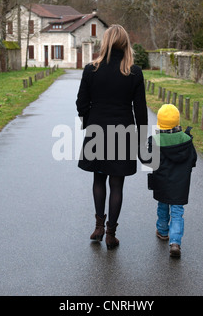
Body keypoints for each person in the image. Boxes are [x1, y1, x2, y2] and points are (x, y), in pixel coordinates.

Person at [76, 25, 148, 250]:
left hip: (97, 131)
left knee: (99, 180)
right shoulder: (133, 72)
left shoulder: (91, 70)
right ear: (125, 44)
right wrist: (142, 141)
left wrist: (89, 121)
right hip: (124, 133)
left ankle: (98, 226)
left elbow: (81, 103)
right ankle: (110, 234)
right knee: (117, 184)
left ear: (104, 43)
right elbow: (141, 111)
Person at [146, 104, 197, 258]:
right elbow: (193, 159)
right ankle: (175, 242)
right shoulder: (186, 140)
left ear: (160, 123)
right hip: (180, 184)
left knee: (162, 205)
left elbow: (149, 161)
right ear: (177, 122)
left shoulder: (155, 140)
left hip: (162, 182)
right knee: (177, 212)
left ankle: (162, 231)